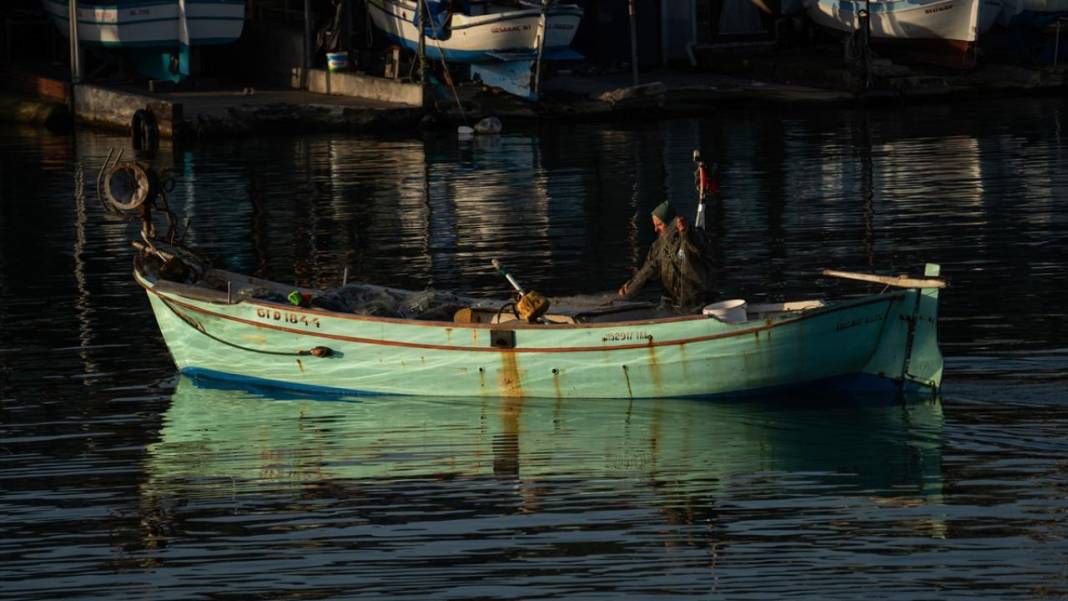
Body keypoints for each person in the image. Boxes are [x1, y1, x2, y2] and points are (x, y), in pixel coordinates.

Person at [617, 201, 715, 311]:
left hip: (696, 303)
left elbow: (697, 245)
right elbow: (648, 271)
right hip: (672, 302)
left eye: (659, 225)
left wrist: (686, 232)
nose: (655, 229)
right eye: (655, 225)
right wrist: (630, 288)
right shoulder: (658, 246)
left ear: (669, 222)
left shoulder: (690, 234)